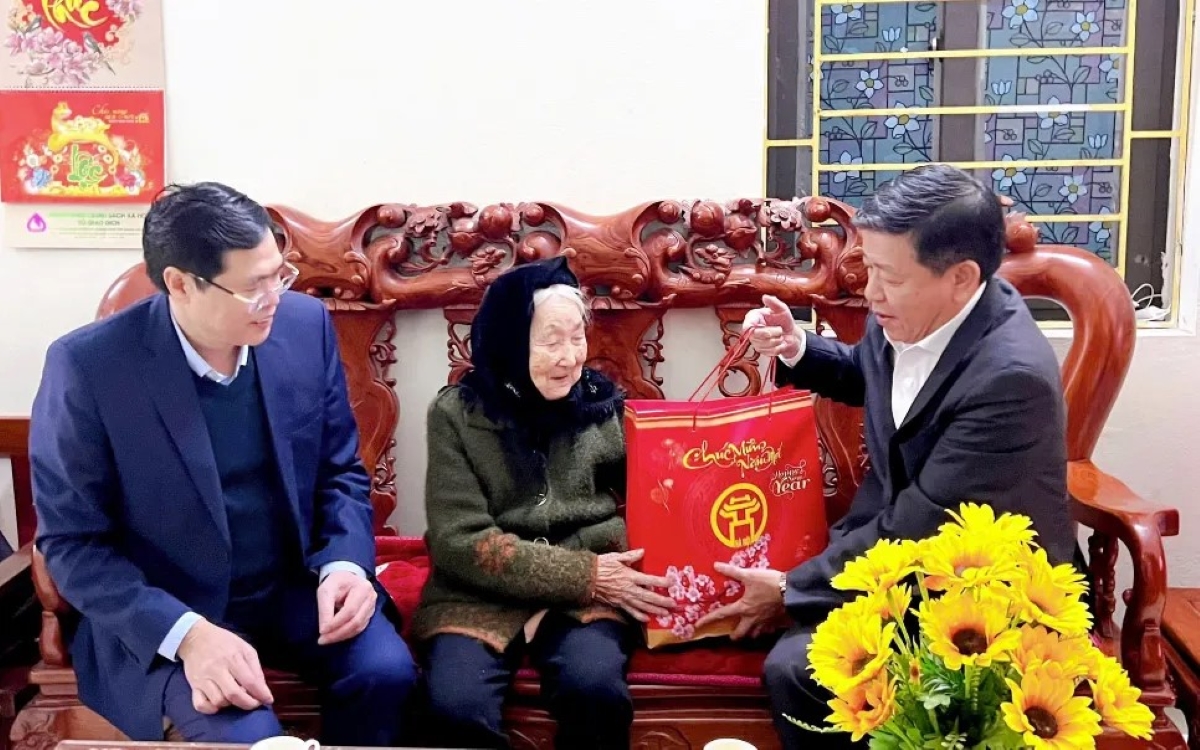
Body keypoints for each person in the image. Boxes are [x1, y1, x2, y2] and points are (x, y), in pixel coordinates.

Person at [696, 165, 1073, 749]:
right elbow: (874, 376)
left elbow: (920, 523)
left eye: (889, 277)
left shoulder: (1009, 380)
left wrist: (790, 588)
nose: (871, 293)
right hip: (895, 544)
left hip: (969, 593)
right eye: (869, 268)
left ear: (961, 277)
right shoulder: (921, 313)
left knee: (802, 669)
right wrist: (798, 348)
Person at [29, 182, 417, 745]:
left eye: (279, 275)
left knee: (385, 673)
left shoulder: (304, 327)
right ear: (180, 284)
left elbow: (339, 473)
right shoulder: (90, 367)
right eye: (253, 287)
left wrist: (345, 566)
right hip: (167, 608)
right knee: (248, 735)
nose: (275, 298)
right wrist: (187, 634)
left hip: (290, 588)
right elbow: (73, 543)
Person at [412, 256, 674, 750]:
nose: (570, 357)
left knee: (593, 688)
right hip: (480, 594)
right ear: (510, 342)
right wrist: (587, 574)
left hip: (589, 599)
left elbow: (659, 497)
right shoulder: (457, 415)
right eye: (551, 342)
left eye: (577, 338)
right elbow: (459, 541)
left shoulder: (602, 405)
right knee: (455, 706)